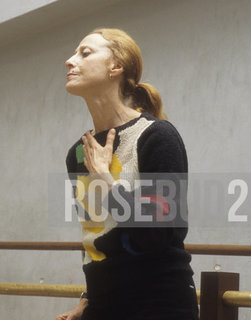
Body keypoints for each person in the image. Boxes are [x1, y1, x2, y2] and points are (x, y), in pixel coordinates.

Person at [56, 28, 199, 319]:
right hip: (103, 304)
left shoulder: (157, 136)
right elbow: (96, 233)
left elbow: (157, 234)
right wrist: (86, 300)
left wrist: (105, 181)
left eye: (85, 53)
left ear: (116, 67)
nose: (70, 61)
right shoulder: (79, 153)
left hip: (159, 303)